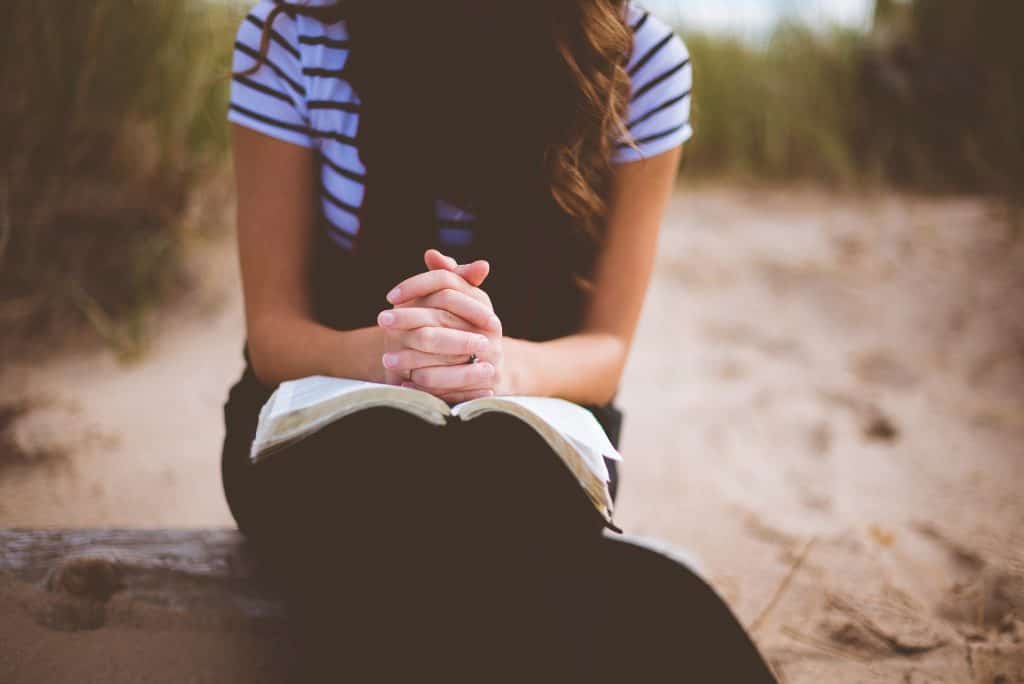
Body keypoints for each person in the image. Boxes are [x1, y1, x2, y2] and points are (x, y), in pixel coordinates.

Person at [221, 0, 777, 680]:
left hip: (534, 425)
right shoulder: (298, 32)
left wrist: (494, 365)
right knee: (392, 511)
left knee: (500, 502)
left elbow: (605, 352)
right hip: (322, 415)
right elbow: (273, 336)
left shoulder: (640, 62)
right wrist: (401, 354)